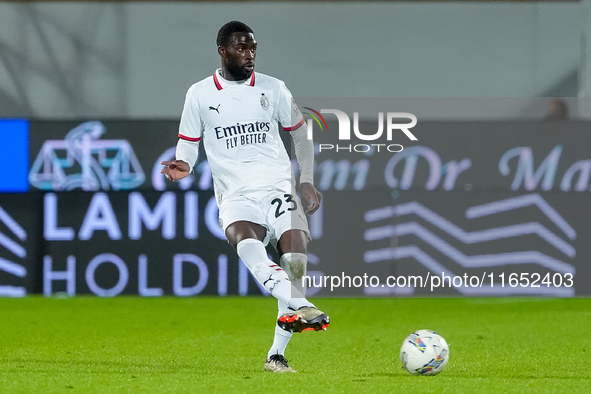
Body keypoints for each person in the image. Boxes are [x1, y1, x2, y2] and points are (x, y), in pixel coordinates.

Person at [161, 21, 329, 373]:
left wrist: (307, 180)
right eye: (241, 47)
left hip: (278, 187)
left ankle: (276, 355)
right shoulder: (200, 94)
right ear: (222, 50)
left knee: (294, 264)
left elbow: (301, 136)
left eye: (253, 47)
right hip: (235, 193)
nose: (249, 54)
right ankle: (301, 305)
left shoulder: (273, 88)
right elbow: (188, 146)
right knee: (247, 246)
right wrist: (183, 166)